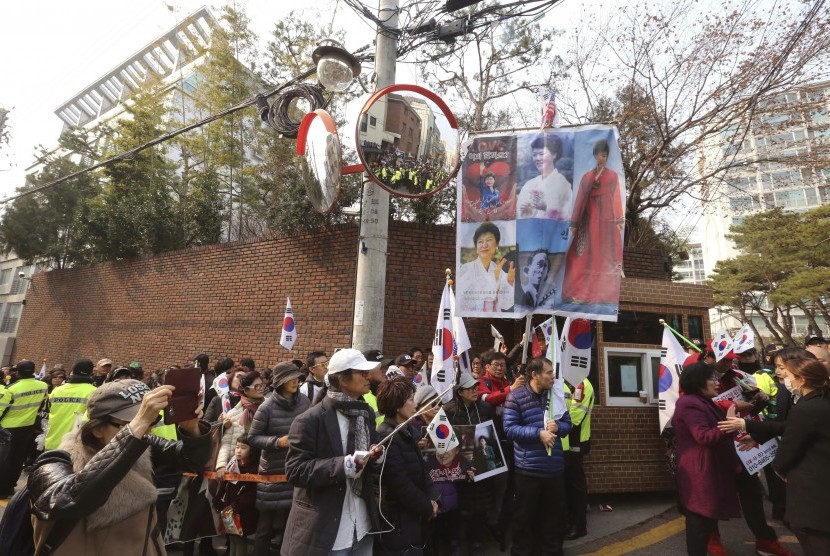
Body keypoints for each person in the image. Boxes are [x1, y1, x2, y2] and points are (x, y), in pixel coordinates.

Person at [28, 379, 212, 555]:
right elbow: (70, 500)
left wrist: (191, 428)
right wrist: (136, 426)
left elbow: (192, 460)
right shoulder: (55, 461)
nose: (145, 430)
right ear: (97, 429)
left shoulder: (142, 448)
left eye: (150, 422)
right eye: (127, 424)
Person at [282, 348, 384, 556]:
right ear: (343, 380)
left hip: (362, 526)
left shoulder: (366, 414)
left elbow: (369, 461)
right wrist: (344, 464)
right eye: (362, 373)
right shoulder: (310, 420)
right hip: (326, 530)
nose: (368, 377)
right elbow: (295, 471)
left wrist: (376, 457)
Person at [503, 357, 571, 556]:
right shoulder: (515, 397)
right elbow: (509, 429)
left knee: (552, 521)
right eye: (549, 373)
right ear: (535, 375)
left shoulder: (556, 396)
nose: (553, 377)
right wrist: (538, 434)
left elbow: (568, 425)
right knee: (524, 519)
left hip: (555, 471)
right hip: (528, 471)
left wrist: (559, 427)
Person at [672, 362, 741, 556]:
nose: (717, 382)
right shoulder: (690, 403)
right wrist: (729, 425)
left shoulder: (703, 401)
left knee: (705, 521)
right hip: (700, 473)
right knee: (699, 523)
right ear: (698, 381)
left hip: (710, 469)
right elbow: (703, 436)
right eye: (712, 378)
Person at [248, 362, 310, 554]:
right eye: (290, 378)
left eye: (297, 377)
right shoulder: (266, 407)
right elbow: (252, 438)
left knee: (291, 526)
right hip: (272, 473)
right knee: (265, 527)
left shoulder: (305, 402)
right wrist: (277, 442)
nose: (295, 381)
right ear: (280, 382)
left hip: (297, 469)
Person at [374, 377, 440, 555]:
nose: (414, 404)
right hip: (398, 519)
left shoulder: (410, 430)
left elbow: (421, 469)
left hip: (414, 514)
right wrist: (426, 505)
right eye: (411, 399)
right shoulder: (387, 436)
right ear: (397, 405)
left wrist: (433, 497)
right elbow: (400, 484)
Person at [772, 358, 830, 555]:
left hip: (813, 498)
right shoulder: (822, 402)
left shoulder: (805, 409)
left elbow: (788, 450)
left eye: (787, 375)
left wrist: (780, 468)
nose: (784, 379)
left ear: (802, 380)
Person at [562, 139, 624, 305]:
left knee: (604, 255)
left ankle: (601, 295)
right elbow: (581, 199)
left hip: (606, 220)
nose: (601, 158)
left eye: (604, 155)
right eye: (599, 155)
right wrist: (575, 222)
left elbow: (616, 196)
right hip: (588, 220)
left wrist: (618, 217)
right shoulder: (587, 176)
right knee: (582, 255)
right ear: (595, 156)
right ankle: (578, 293)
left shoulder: (612, 175)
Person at [443, 373, 496, 555]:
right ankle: (455, 542)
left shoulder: (486, 408)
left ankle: (476, 543)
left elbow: (491, 436)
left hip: (481, 467)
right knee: (459, 509)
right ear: (460, 392)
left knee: (479, 509)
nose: (475, 391)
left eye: (476, 387)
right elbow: (445, 442)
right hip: (458, 467)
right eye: (470, 389)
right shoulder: (449, 411)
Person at [0, 360, 48, 498]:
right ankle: (9, 487)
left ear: (18, 372)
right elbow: (41, 406)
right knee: (17, 459)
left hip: (8, 429)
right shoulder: (43, 386)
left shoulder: (12, 388)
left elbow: (2, 410)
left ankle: (1, 490)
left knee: (5, 460)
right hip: (27, 427)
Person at [213, 434, 260, 556]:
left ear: (252, 450)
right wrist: (218, 500)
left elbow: (251, 494)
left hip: (242, 512)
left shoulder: (255, 469)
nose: (238, 450)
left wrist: (235, 506)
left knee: (239, 540)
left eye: (243, 448)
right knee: (232, 539)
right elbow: (225, 484)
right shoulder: (233, 463)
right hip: (229, 510)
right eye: (237, 447)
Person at [215, 371, 266, 479]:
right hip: (239, 467)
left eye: (262, 385)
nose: (261, 388)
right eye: (257, 386)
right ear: (246, 390)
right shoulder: (233, 413)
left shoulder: (269, 408)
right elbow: (227, 442)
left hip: (263, 465)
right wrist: (221, 465)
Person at [458, 222, 515, 313]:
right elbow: (464, 300)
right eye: (480, 242)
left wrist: (510, 283)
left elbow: (506, 304)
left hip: (494, 319)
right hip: (470, 321)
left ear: (497, 244)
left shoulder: (498, 270)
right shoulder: (466, 269)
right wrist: (495, 280)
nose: (484, 245)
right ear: (476, 247)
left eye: (489, 240)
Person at [563, 377, 594, 541]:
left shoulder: (581, 383)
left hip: (575, 441)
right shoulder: (567, 380)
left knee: (575, 484)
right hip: (567, 441)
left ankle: (579, 525)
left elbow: (574, 417)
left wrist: (555, 425)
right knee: (569, 483)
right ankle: (570, 521)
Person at [44, 359, 98, 451]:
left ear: (73, 371)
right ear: (91, 372)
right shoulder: (94, 392)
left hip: (52, 442)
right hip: (75, 447)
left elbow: (46, 414)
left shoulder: (57, 390)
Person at [517, 134, 571, 220]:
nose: (537, 158)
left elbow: (567, 215)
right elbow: (520, 212)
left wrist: (546, 208)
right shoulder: (529, 184)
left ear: (554, 155)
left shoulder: (563, 184)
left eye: (541, 154)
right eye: (534, 154)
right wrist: (526, 211)